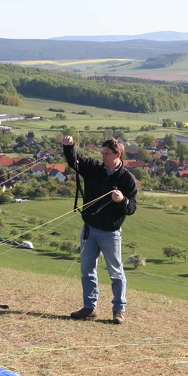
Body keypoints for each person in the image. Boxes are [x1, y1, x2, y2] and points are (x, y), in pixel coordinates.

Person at [62, 135, 138, 324]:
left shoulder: (127, 179)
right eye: (102, 153)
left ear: (117, 154)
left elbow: (132, 208)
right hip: (89, 229)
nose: (102, 156)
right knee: (87, 270)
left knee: (116, 273)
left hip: (110, 234)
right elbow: (75, 161)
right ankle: (89, 307)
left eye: (106, 153)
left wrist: (122, 201)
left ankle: (119, 310)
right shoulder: (94, 168)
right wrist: (68, 146)